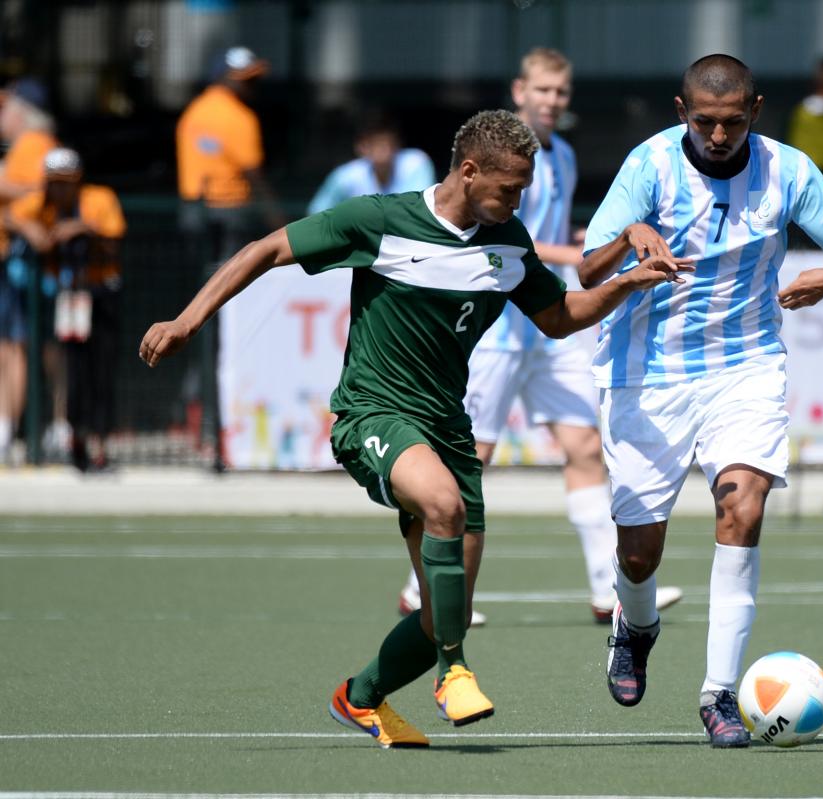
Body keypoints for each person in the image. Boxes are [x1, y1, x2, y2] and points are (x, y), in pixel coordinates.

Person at [139, 109, 692, 748]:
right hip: (373, 413)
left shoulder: (508, 242)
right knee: (442, 507)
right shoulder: (378, 220)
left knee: (439, 613)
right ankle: (454, 670)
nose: (519, 201)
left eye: (524, 189)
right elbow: (266, 249)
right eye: (509, 188)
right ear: (468, 169)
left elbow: (562, 316)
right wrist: (187, 320)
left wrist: (631, 281)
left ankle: (360, 697)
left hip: (448, 429)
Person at [579, 54, 823, 748]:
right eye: (705, 122)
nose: (718, 135)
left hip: (746, 367)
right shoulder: (648, 166)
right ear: (682, 111)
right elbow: (587, 269)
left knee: (743, 507)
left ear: (756, 111)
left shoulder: (788, 169)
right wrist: (631, 237)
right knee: (641, 551)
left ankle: (718, 694)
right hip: (646, 372)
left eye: (732, 122)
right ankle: (637, 623)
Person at [397, 47, 682, 627]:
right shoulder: (497, 154)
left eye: (561, 92)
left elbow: (548, 234)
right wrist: (591, 252)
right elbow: (502, 236)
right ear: (520, 90)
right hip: (497, 330)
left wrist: (581, 241)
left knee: (582, 449)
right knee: (469, 459)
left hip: (546, 329)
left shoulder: (565, 155)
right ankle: (421, 589)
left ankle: (608, 591)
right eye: (543, 90)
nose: (552, 101)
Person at [5, 148, 125, 472]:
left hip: (101, 293)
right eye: (54, 183)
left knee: (101, 368)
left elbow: (114, 239)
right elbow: (10, 214)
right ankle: (74, 437)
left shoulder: (98, 199)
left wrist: (83, 228)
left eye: (65, 183)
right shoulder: (39, 203)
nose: (59, 190)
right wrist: (31, 230)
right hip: (68, 298)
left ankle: (99, 442)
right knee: (71, 368)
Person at [176, 46, 283, 264]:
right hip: (229, 208)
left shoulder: (194, 111)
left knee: (201, 278)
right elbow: (254, 175)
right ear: (224, 78)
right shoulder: (240, 117)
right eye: (246, 80)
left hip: (193, 207)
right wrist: (279, 223)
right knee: (228, 276)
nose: (253, 86)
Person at [0, 78, 57, 463]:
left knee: (21, 348)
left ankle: (10, 430)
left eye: (6, 108)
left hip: (29, 263)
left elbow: (43, 195)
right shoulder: (24, 148)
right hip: (19, 261)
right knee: (17, 348)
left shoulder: (35, 146)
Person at [307, 112, 435, 215]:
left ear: (397, 143)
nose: (382, 149)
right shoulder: (345, 176)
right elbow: (317, 212)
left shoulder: (416, 163)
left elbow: (419, 211)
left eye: (387, 142)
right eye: (375, 143)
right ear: (361, 147)